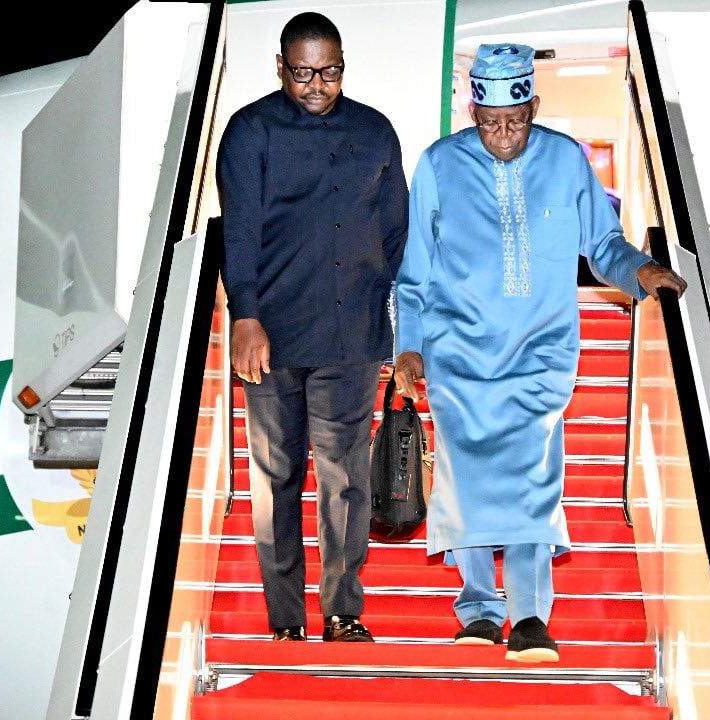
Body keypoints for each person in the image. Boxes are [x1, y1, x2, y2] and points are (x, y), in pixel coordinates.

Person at [392, 43, 686, 662]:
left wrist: (640, 271)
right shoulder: (439, 164)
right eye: (490, 122)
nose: (503, 134)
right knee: (466, 481)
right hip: (458, 352)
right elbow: (415, 270)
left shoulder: (565, 158)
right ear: (473, 112)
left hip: (541, 350)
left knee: (533, 480)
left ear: (535, 108)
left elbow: (602, 243)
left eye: (516, 121)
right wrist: (410, 346)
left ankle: (529, 617)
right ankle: (478, 610)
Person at [216, 11, 408, 643]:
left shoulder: (374, 131)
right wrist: (245, 314)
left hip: (352, 333)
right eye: (303, 73)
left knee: (345, 478)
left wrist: (400, 323)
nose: (318, 85)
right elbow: (239, 232)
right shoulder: (250, 131)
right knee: (276, 477)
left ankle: (343, 612)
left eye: (330, 72)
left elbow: (395, 231)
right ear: (281, 67)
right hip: (270, 335)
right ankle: (286, 620)